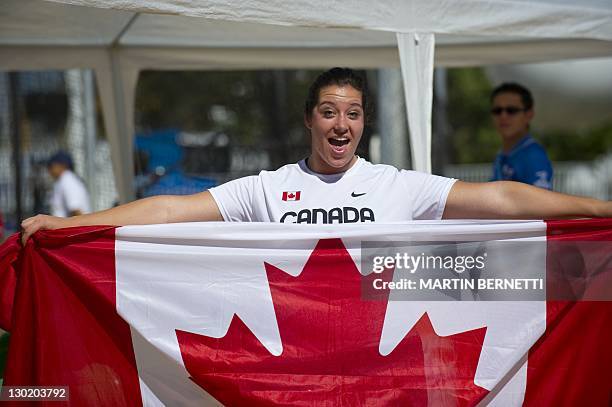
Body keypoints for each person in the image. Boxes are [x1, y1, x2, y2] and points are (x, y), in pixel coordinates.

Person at [21, 68, 611, 244]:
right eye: (329, 111)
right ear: (309, 119)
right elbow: (170, 211)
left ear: (363, 123)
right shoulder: (266, 188)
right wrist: (73, 225)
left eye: (353, 113)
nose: (341, 123)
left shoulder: (397, 183)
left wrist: (601, 210)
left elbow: (504, 198)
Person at [490, 83, 553, 189]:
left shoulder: (534, 156)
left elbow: (540, 203)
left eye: (511, 110)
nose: (503, 116)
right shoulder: (502, 154)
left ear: (529, 114)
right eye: (497, 111)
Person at [46, 151, 92, 217]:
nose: (49, 170)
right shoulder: (64, 179)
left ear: (62, 165)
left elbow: (76, 211)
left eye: (51, 166)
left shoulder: (68, 180)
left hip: (75, 225)